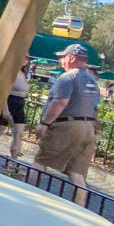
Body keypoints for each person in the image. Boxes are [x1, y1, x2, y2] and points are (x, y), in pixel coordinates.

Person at [33, 44, 102, 196]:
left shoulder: (68, 78)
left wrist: (45, 124)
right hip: (88, 128)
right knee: (77, 172)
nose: (61, 60)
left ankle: (29, 194)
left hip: (67, 126)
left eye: (63, 57)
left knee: (41, 161)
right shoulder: (92, 81)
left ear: (72, 58)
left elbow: (60, 103)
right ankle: (80, 207)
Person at [0, 60, 31, 159]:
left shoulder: (23, 74)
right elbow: (2, 91)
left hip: (19, 104)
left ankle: (14, 161)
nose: (25, 59)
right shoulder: (10, 72)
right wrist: (5, 109)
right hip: (9, 102)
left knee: (18, 134)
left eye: (27, 57)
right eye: (24, 56)